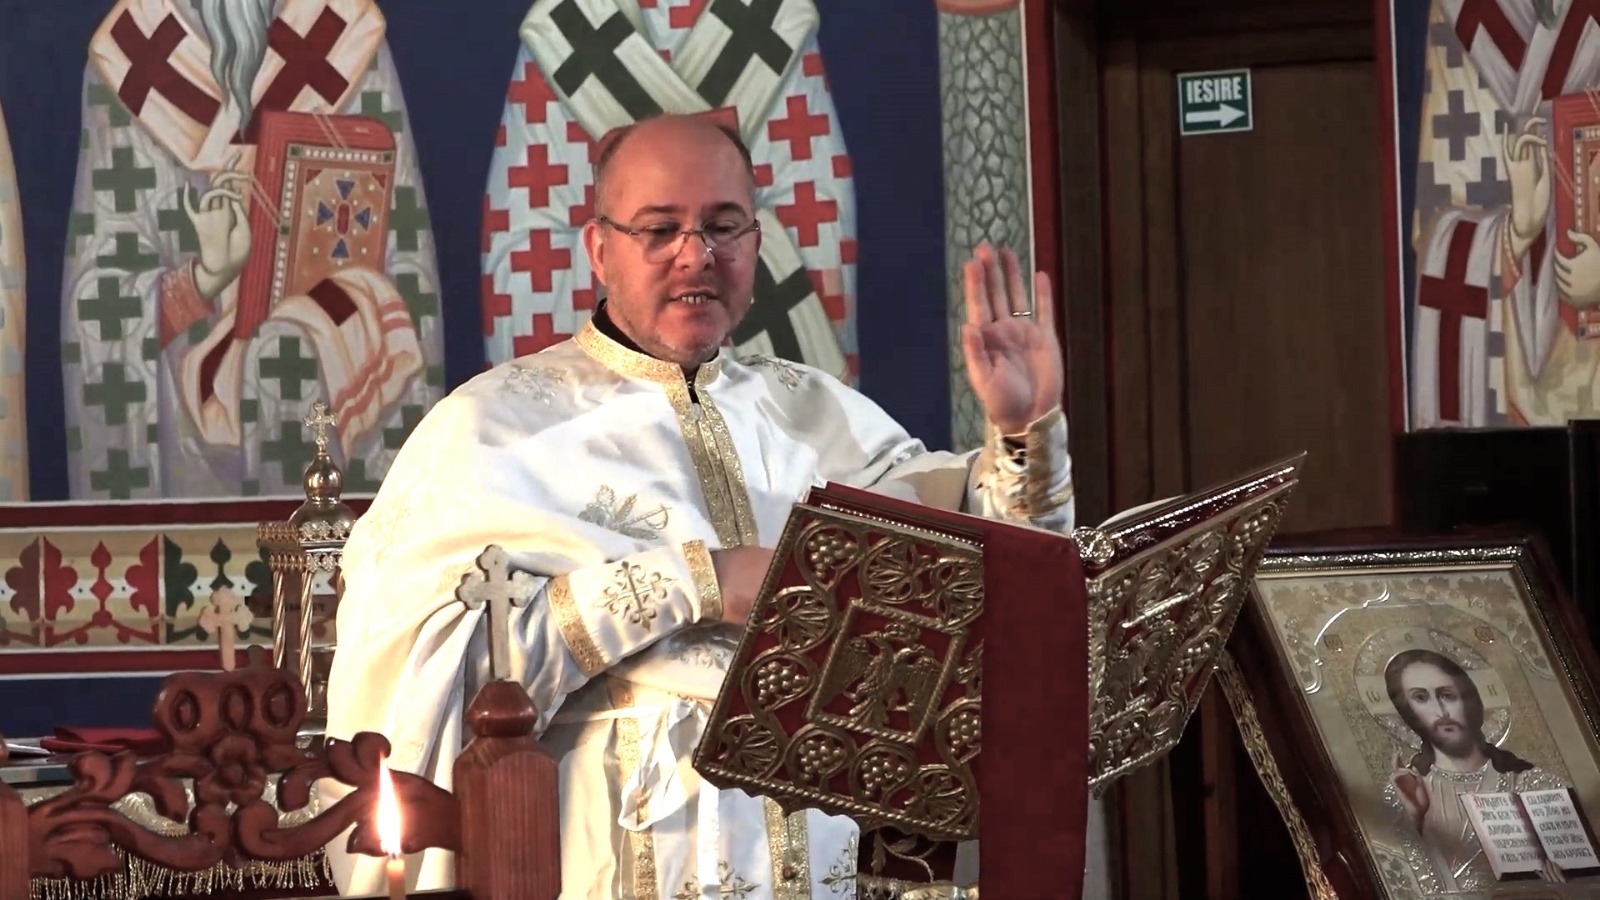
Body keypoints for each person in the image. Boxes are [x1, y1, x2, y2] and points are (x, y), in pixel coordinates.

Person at [322, 113, 1076, 899]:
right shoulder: (490, 431)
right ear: (599, 249)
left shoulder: (821, 416)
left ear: (755, 242)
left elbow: (994, 588)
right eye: (660, 230)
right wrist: (700, 581)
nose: (697, 255)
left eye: (723, 226)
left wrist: (1024, 432)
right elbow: (430, 678)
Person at [61, 0, 444, 499]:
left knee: (285, 348)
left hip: (331, 404)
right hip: (186, 458)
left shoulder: (343, 35)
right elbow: (98, 302)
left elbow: (405, 264)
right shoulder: (133, 53)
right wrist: (204, 280)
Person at [1384, 648, 1566, 890]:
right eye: (1420, 698)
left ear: (1470, 700)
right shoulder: (1402, 792)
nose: (1441, 711)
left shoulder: (1532, 784)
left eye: (1447, 695)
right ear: (1409, 712)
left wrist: (1561, 878)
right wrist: (1415, 819)